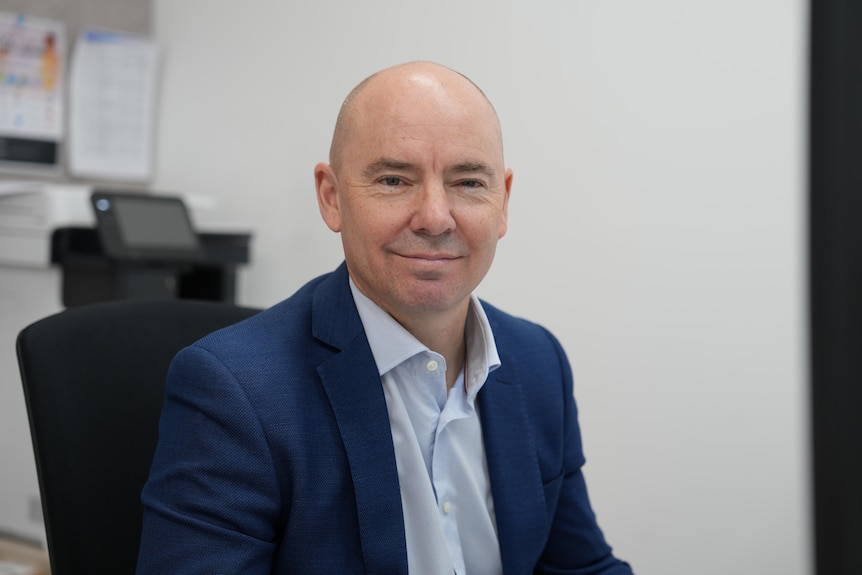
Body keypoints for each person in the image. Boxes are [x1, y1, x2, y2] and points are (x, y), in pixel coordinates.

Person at [137, 61, 633, 574]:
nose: (436, 217)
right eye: (395, 179)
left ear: (503, 201)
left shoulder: (537, 362)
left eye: (467, 182)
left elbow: (582, 568)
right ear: (331, 198)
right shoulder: (235, 391)